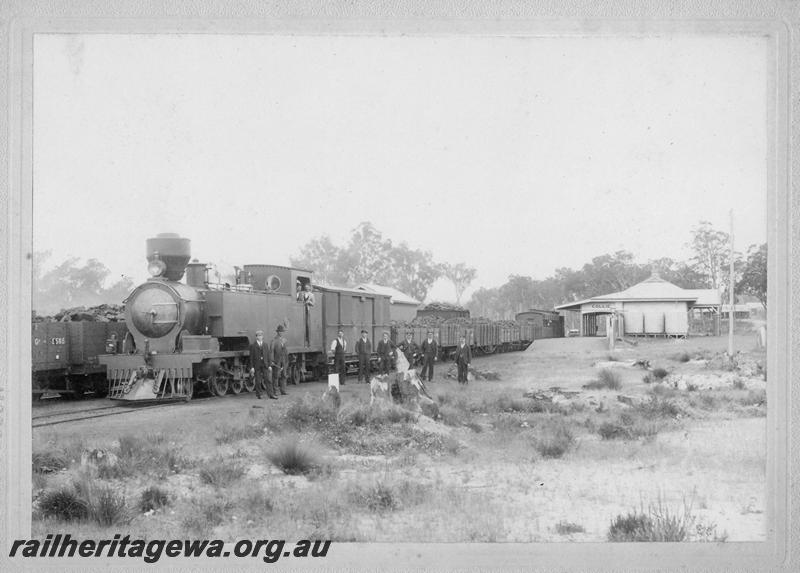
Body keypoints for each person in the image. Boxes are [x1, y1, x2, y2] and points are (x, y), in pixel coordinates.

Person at [249, 330, 271, 399]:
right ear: (256, 337)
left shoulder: (265, 345)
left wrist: (269, 365)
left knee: (267, 379)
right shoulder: (253, 346)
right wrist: (252, 367)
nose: (260, 337)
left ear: (262, 336)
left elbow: (268, 356)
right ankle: (259, 394)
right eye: (258, 336)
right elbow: (251, 357)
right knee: (258, 381)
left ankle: (270, 394)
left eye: (261, 335)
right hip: (257, 365)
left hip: (265, 365)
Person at [271, 325, 289, 396]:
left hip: (284, 360)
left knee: (284, 375)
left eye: (282, 331)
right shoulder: (274, 340)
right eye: (280, 331)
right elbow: (271, 351)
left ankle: (283, 390)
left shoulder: (284, 340)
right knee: (276, 376)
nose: (281, 333)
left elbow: (286, 351)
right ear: (277, 332)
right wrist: (272, 360)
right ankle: (275, 391)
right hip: (277, 361)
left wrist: (287, 360)